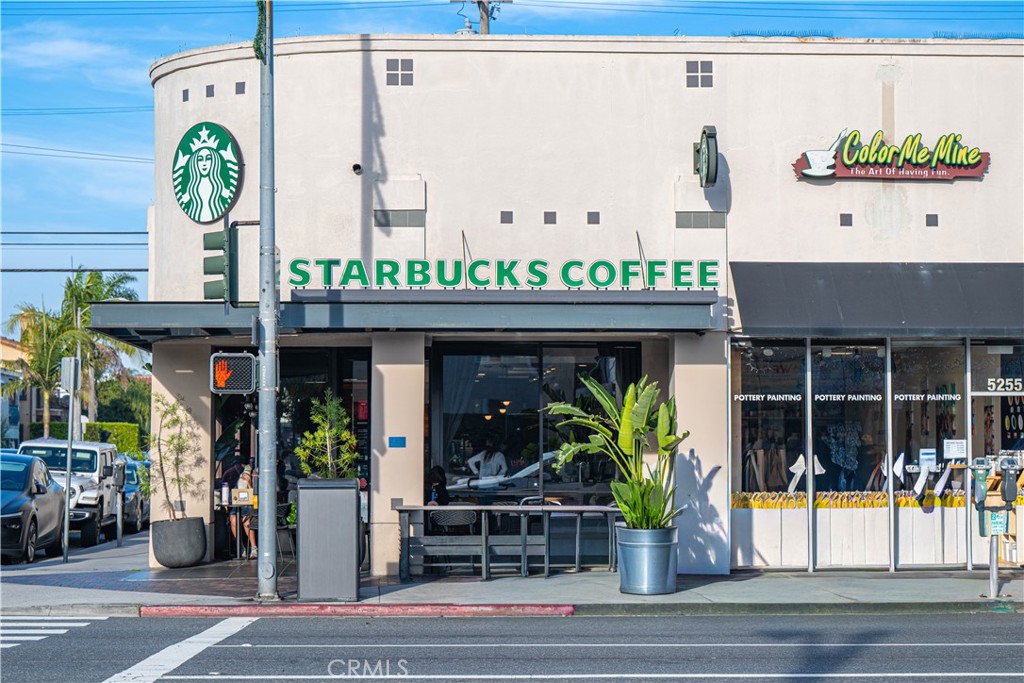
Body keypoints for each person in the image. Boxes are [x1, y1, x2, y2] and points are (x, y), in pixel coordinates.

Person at [229, 465, 258, 559]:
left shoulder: (256, 482)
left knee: (246, 522)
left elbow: (255, 500)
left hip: (250, 509)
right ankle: (241, 547)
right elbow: (232, 500)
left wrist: (250, 485)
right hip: (238, 509)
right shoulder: (238, 484)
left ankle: (254, 548)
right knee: (233, 520)